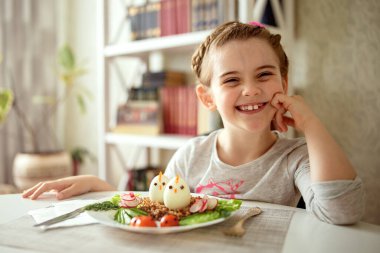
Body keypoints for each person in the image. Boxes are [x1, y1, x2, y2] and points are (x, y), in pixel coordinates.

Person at [22, 21, 364, 225]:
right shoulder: (191, 155)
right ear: (207, 97)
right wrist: (101, 187)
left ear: (284, 85)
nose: (250, 89)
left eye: (264, 74)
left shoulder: (299, 158)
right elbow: (158, 211)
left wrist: (311, 122)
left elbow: (342, 211)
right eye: (231, 81)